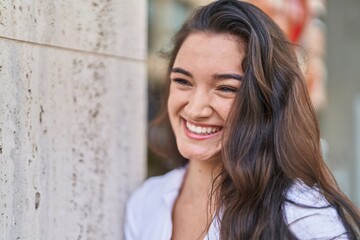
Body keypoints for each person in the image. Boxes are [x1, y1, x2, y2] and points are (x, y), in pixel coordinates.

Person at [124, 0, 360, 239]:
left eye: (225, 88)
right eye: (183, 81)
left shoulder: (303, 219)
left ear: (267, 100)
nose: (195, 110)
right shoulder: (146, 203)